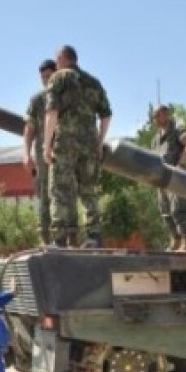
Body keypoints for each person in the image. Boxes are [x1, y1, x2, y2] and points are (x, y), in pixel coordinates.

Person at [42, 44, 112, 248]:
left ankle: (59, 239)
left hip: (66, 142)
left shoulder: (59, 78)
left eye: (57, 60)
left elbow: (52, 112)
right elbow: (106, 115)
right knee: (89, 190)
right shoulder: (94, 82)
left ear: (63, 59)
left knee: (59, 189)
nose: (56, 64)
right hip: (89, 144)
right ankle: (94, 236)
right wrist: (99, 142)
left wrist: (47, 145)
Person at [151, 104, 186, 252]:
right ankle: (175, 240)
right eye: (155, 116)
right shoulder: (156, 139)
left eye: (159, 115)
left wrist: (181, 166)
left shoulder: (177, 128)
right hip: (161, 179)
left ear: (166, 114)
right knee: (165, 211)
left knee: (178, 210)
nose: (156, 119)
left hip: (176, 177)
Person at [23, 58, 57, 245]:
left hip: (65, 152)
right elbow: (29, 129)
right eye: (43, 77)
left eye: (49, 76)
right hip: (43, 156)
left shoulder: (67, 96)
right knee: (44, 195)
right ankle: (46, 239)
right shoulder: (37, 100)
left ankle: (67, 237)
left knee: (65, 194)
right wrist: (26, 154)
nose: (46, 80)